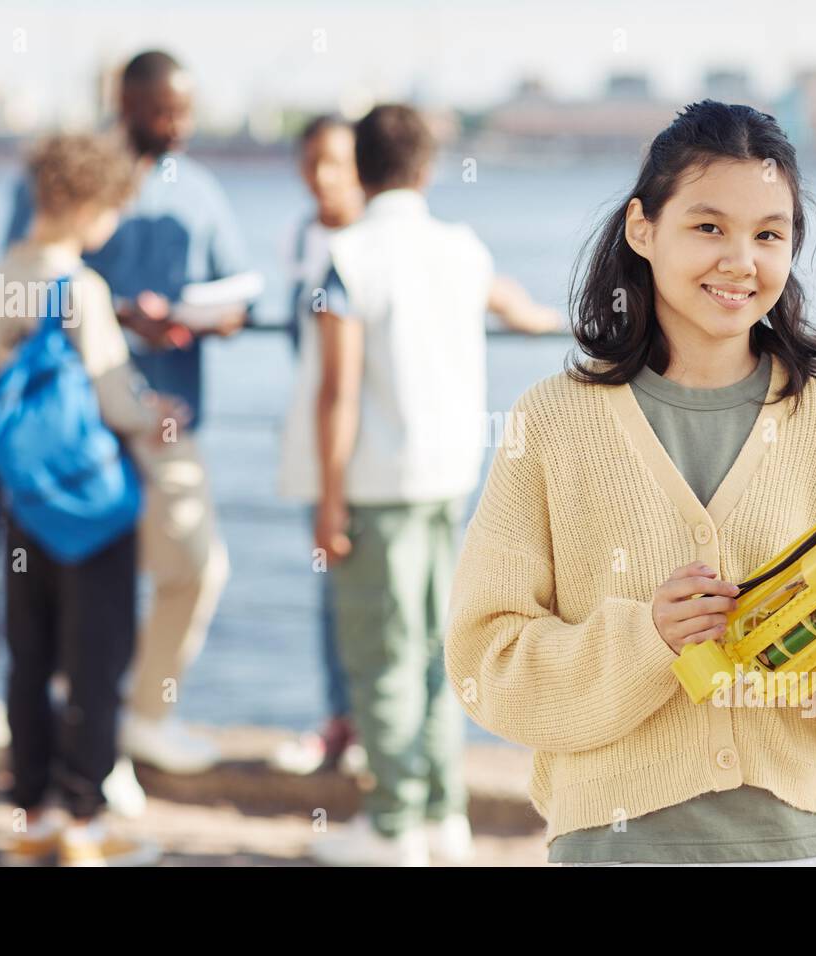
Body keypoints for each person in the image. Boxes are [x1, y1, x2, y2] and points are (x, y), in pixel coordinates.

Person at [443, 101, 816, 867]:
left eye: (770, 234)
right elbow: (485, 663)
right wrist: (648, 639)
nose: (741, 261)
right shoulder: (552, 421)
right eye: (709, 227)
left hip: (796, 846)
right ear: (643, 229)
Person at [278, 104, 560, 866]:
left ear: (361, 170)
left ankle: (392, 826)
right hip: (449, 479)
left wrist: (327, 500)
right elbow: (507, 298)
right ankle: (444, 816)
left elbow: (337, 392)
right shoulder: (460, 249)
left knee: (382, 656)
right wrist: (539, 316)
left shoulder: (351, 255)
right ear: (428, 169)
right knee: (441, 652)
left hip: (377, 485)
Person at [3, 51, 248, 780]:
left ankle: (138, 720)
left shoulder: (201, 191)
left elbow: (238, 298)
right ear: (127, 103)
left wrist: (186, 319)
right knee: (84, 600)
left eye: (186, 112)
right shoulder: (63, 177)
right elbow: (28, 283)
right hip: (75, 435)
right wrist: (114, 316)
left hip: (166, 423)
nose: (178, 127)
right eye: (164, 111)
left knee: (196, 568)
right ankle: (86, 765)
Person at [0, 133, 182, 866]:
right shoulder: (80, 289)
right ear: (86, 204)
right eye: (110, 211)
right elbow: (112, 395)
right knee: (96, 659)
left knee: (28, 656)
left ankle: (30, 818)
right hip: (90, 512)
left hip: (24, 502)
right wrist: (159, 410)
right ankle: (86, 824)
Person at [270, 115, 367, 777]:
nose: (321, 176)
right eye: (310, 162)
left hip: (372, 440)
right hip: (322, 434)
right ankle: (341, 722)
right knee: (332, 588)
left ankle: (374, 731)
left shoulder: (377, 242)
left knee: (387, 597)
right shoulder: (303, 237)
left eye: (334, 161)